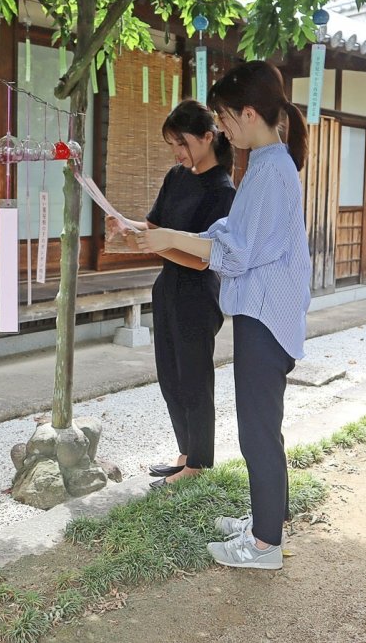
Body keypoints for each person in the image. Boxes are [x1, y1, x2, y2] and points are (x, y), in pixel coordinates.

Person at [134, 60, 312, 571]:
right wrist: (177, 237)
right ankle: (266, 522)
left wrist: (169, 237)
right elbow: (232, 235)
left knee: (257, 429)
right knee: (263, 426)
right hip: (262, 311)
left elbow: (234, 252)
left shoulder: (271, 170)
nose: (222, 128)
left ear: (248, 112)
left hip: (266, 315)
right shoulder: (265, 164)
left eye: (224, 116)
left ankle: (264, 546)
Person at [115, 100, 235, 490]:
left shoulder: (222, 191)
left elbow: (201, 259)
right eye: (172, 146)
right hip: (167, 286)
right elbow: (153, 227)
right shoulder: (176, 176)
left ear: (207, 137)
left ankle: (199, 462)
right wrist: (125, 225)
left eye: (182, 143)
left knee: (194, 378)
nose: (178, 153)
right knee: (169, 375)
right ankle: (185, 453)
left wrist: (148, 243)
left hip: (198, 292)